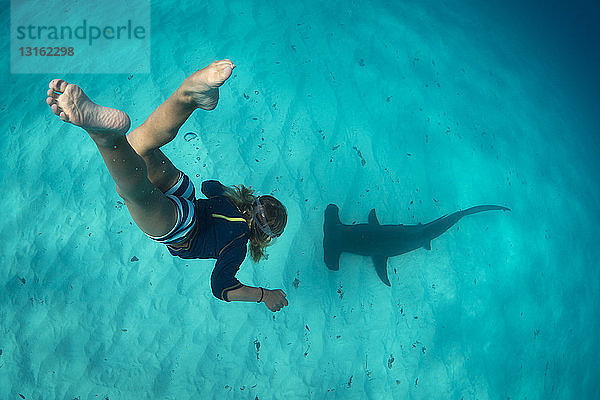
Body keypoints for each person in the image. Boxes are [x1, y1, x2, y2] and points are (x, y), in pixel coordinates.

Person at [45, 59, 289, 312]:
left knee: (141, 146)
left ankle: (187, 96)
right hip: (180, 228)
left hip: (187, 193)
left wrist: (235, 198)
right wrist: (264, 295)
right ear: (263, 238)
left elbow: (209, 185)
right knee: (134, 191)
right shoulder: (237, 245)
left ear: (255, 202)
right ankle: (104, 137)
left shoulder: (228, 202)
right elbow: (221, 287)